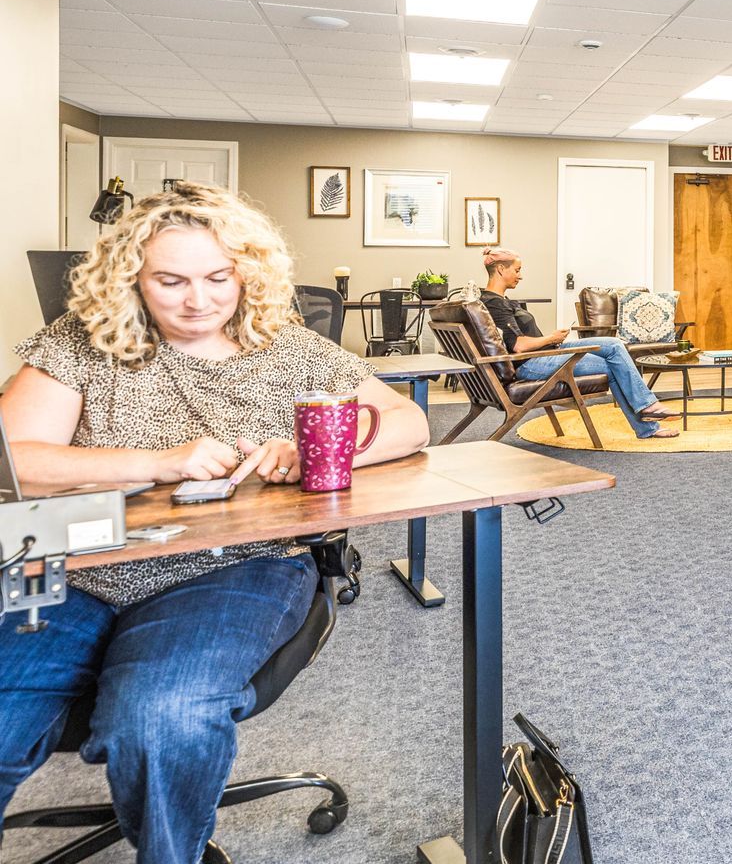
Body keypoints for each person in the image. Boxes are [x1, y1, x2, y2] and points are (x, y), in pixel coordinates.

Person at [0, 182, 431, 862]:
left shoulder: (288, 350)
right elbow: (16, 460)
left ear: (246, 274)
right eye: (170, 280)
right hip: (72, 561)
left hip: (234, 565)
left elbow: (409, 420)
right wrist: (157, 461)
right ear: (131, 278)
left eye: (217, 277)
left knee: (161, 714)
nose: (197, 299)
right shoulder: (80, 343)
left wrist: (316, 449)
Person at [477, 247, 677, 438]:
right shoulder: (495, 303)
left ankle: (648, 408)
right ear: (501, 269)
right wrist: (551, 338)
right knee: (614, 366)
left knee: (615, 345)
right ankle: (648, 422)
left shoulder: (496, 300)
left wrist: (552, 341)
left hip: (549, 352)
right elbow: (519, 346)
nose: (520, 276)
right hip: (532, 363)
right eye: (517, 270)